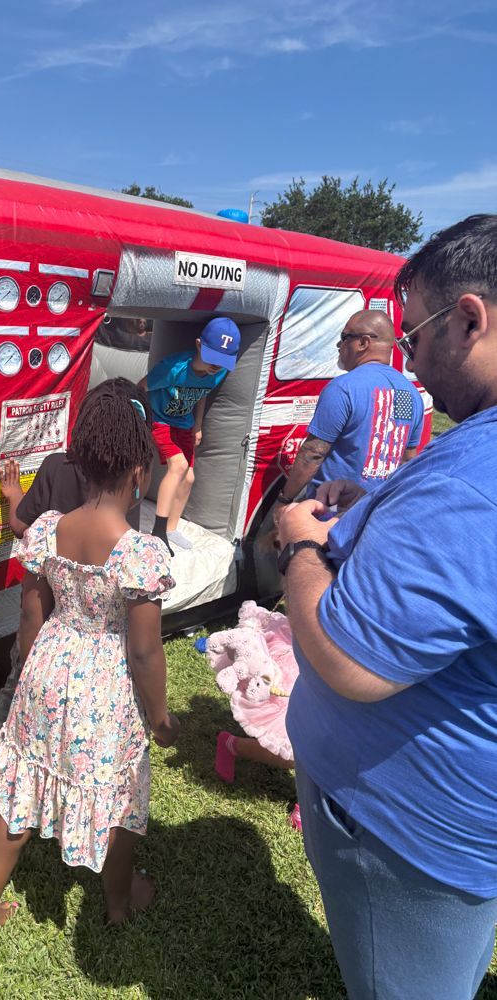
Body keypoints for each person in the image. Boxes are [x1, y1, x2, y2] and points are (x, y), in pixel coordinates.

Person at [277, 214, 497, 998]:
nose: (417, 365)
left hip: (409, 835)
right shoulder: (418, 408)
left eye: (420, 337)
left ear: (469, 319)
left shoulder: (470, 473)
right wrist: (372, 503)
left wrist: (301, 538)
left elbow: (347, 659)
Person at [0, 378, 180, 945]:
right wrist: (159, 718)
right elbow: (144, 648)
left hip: (47, 666)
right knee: (118, 795)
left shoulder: (48, 530)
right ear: (140, 472)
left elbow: (31, 615)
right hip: (105, 686)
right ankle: (117, 901)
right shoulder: (141, 553)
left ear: (80, 459)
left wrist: (36, 675)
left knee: (21, 789)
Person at [0, 451, 88, 798]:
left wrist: (13, 496)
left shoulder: (58, 466)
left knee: (17, 687)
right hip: (87, 631)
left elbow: (22, 527)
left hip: (43, 615)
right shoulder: (125, 483)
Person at [273, 309, 423, 521]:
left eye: (344, 338)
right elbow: (407, 460)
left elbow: (313, 453)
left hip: (328, 511)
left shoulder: (343, 388)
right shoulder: (411, 394)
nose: (339, 346)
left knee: (268, 546)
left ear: (363, 343)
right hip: (374, 513)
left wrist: (285, 500)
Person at [139, 316, 240, 554]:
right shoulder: (174, 368)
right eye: (213, 357)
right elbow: (141, 386)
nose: (217, 365)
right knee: (178, 466)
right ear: (198, 345)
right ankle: (159, 531)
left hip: (184, 423)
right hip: (161, 420)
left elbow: (202, 392)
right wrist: (140, 418)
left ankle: (171, 528)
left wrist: (198, 424)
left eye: (223, 361)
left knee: (189, 477)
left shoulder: (218, 373)